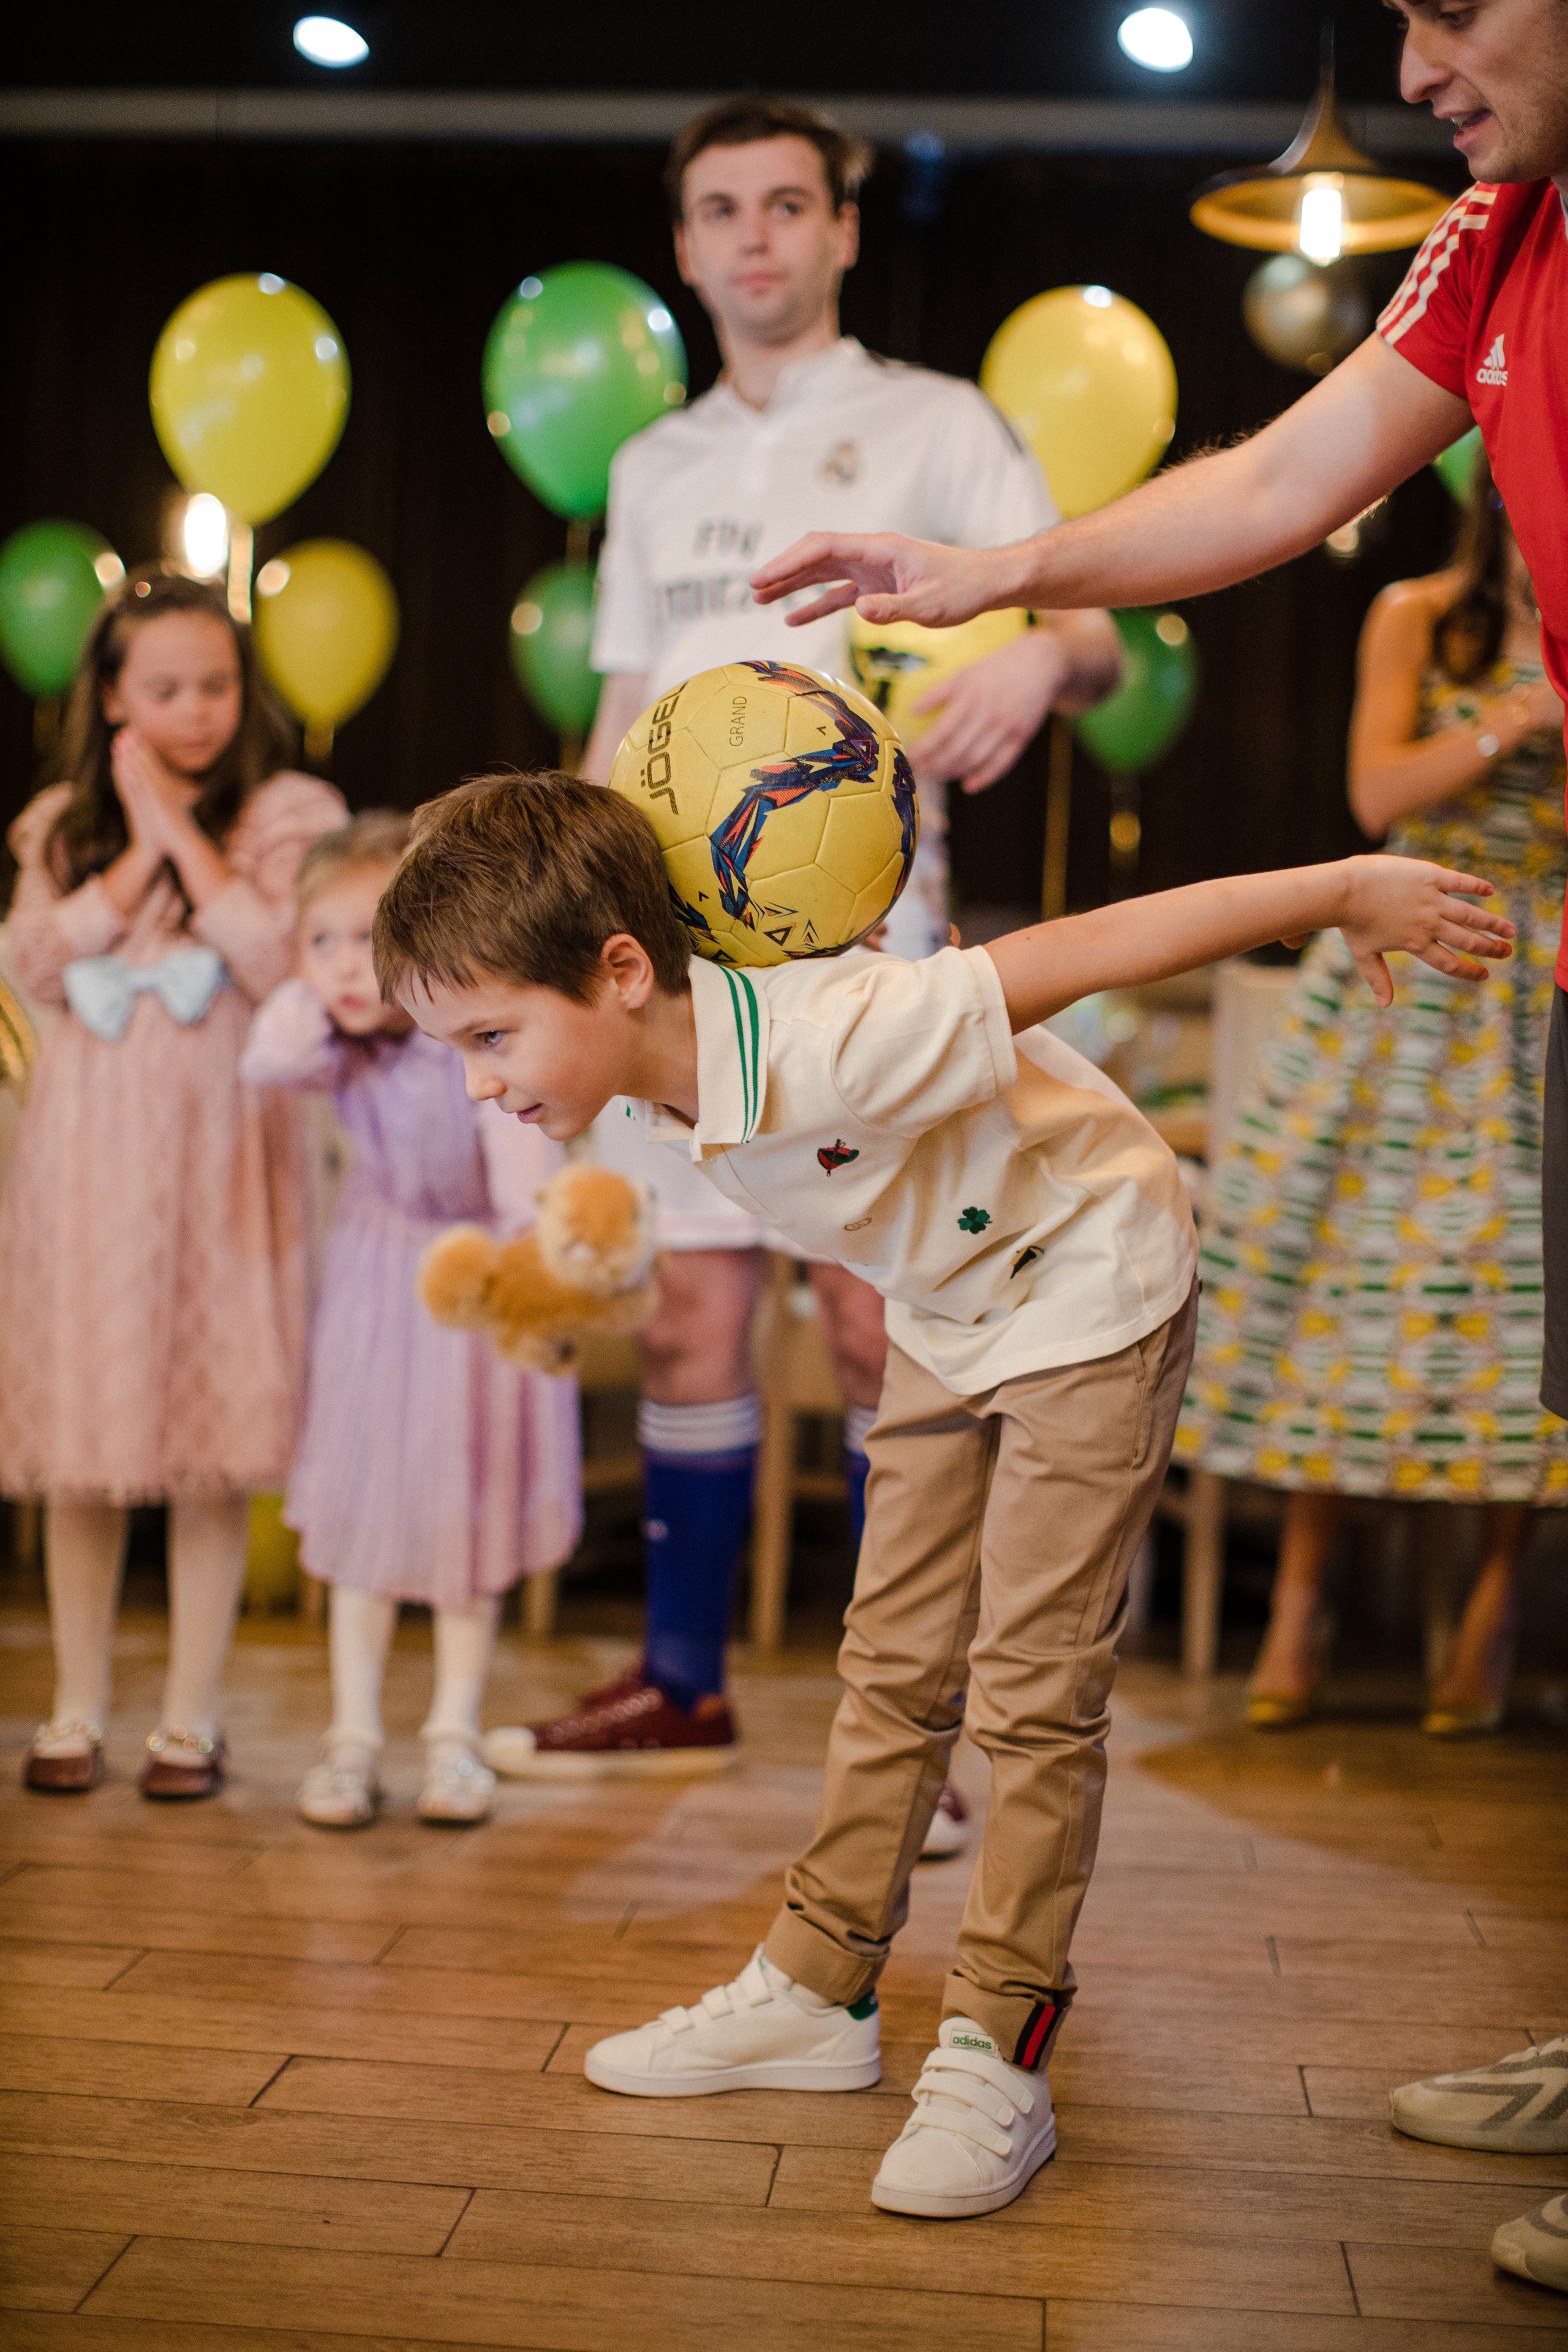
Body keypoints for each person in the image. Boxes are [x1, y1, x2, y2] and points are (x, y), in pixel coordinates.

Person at [742, 0, 1568, 2283]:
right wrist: (993, 571)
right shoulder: (1500, 230)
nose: (1417, 69)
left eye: (1458, 9)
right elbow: (1286, 481)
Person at [372, 767, 1506, 2219]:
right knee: (891, 1661)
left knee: (1031, 1689)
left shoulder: (844, 1029)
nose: (478, 1080)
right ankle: (817, 1985)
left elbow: (1100, 943)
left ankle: (997, 2041)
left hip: (1091, 1276)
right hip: (948, 1306)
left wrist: (1345, 889)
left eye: (488, 1036)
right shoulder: (649, 1085)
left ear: (619, 971)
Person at [500, 92, 1120, 1785]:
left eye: (788, 204)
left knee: (873, 1324)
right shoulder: (650, 465)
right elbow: (621, 709)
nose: (756, 235)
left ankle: (898, 1723)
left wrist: (1036, 659)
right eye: (722, 208)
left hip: (866, 950)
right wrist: (560, 930)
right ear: (687, 243)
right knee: (693, 1314)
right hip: (667, 965)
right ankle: (682, 1678)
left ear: (844, 228)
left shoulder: (940, 424)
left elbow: (1098, 632)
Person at [1179, 451, 1568, 1735]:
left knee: (1526, 1300)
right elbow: (1373, 792)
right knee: (1340, 1278)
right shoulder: (1414, 613)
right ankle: (1300, 1602)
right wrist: (1514, 720)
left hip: (1541, 976)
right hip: (1412, 960)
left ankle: (1488, 1615)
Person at [1, 567, 344, 1800]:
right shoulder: (54, 825)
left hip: (223, 1151)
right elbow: (34, 963)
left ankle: (192, 1716)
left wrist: (183, 839)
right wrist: (130, 849)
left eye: (215, 684)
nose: (196, 710)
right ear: (109, 697)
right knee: (86, 1436)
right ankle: (75, 1705)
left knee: (208, 1437)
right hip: (87, 1161)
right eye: (165, 689)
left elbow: (276, 957)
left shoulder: (292, 811)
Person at [239, 814, 581, 1828]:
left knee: (460, 1515)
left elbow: (521, 1173)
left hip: (468, 1293)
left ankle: (454, 1732)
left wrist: (535, 1263)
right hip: (375, 1286)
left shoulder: (462, 1050)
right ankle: (352, 1736)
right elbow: (270, 1058)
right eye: (323, 943)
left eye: (369, 941)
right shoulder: (335, 1045)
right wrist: (324, 993)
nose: (348, 969)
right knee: (367, 1513)